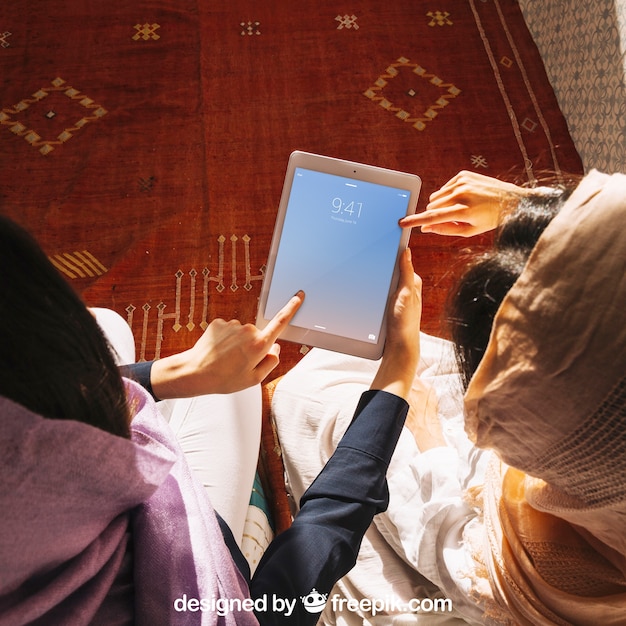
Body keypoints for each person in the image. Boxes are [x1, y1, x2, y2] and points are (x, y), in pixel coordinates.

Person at [0, 212, 423, 625]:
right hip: (200, 573)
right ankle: (251, 526)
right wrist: (400, 365)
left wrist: (177, 373)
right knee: (235, 391)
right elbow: (305, 566)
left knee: (106, 326)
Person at [272, 169, 626, 625]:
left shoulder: (552, 574)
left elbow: (452, 552)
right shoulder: (601, 456)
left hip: (471, 568)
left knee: (323, 401)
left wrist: (426, 431)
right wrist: (526, 208)